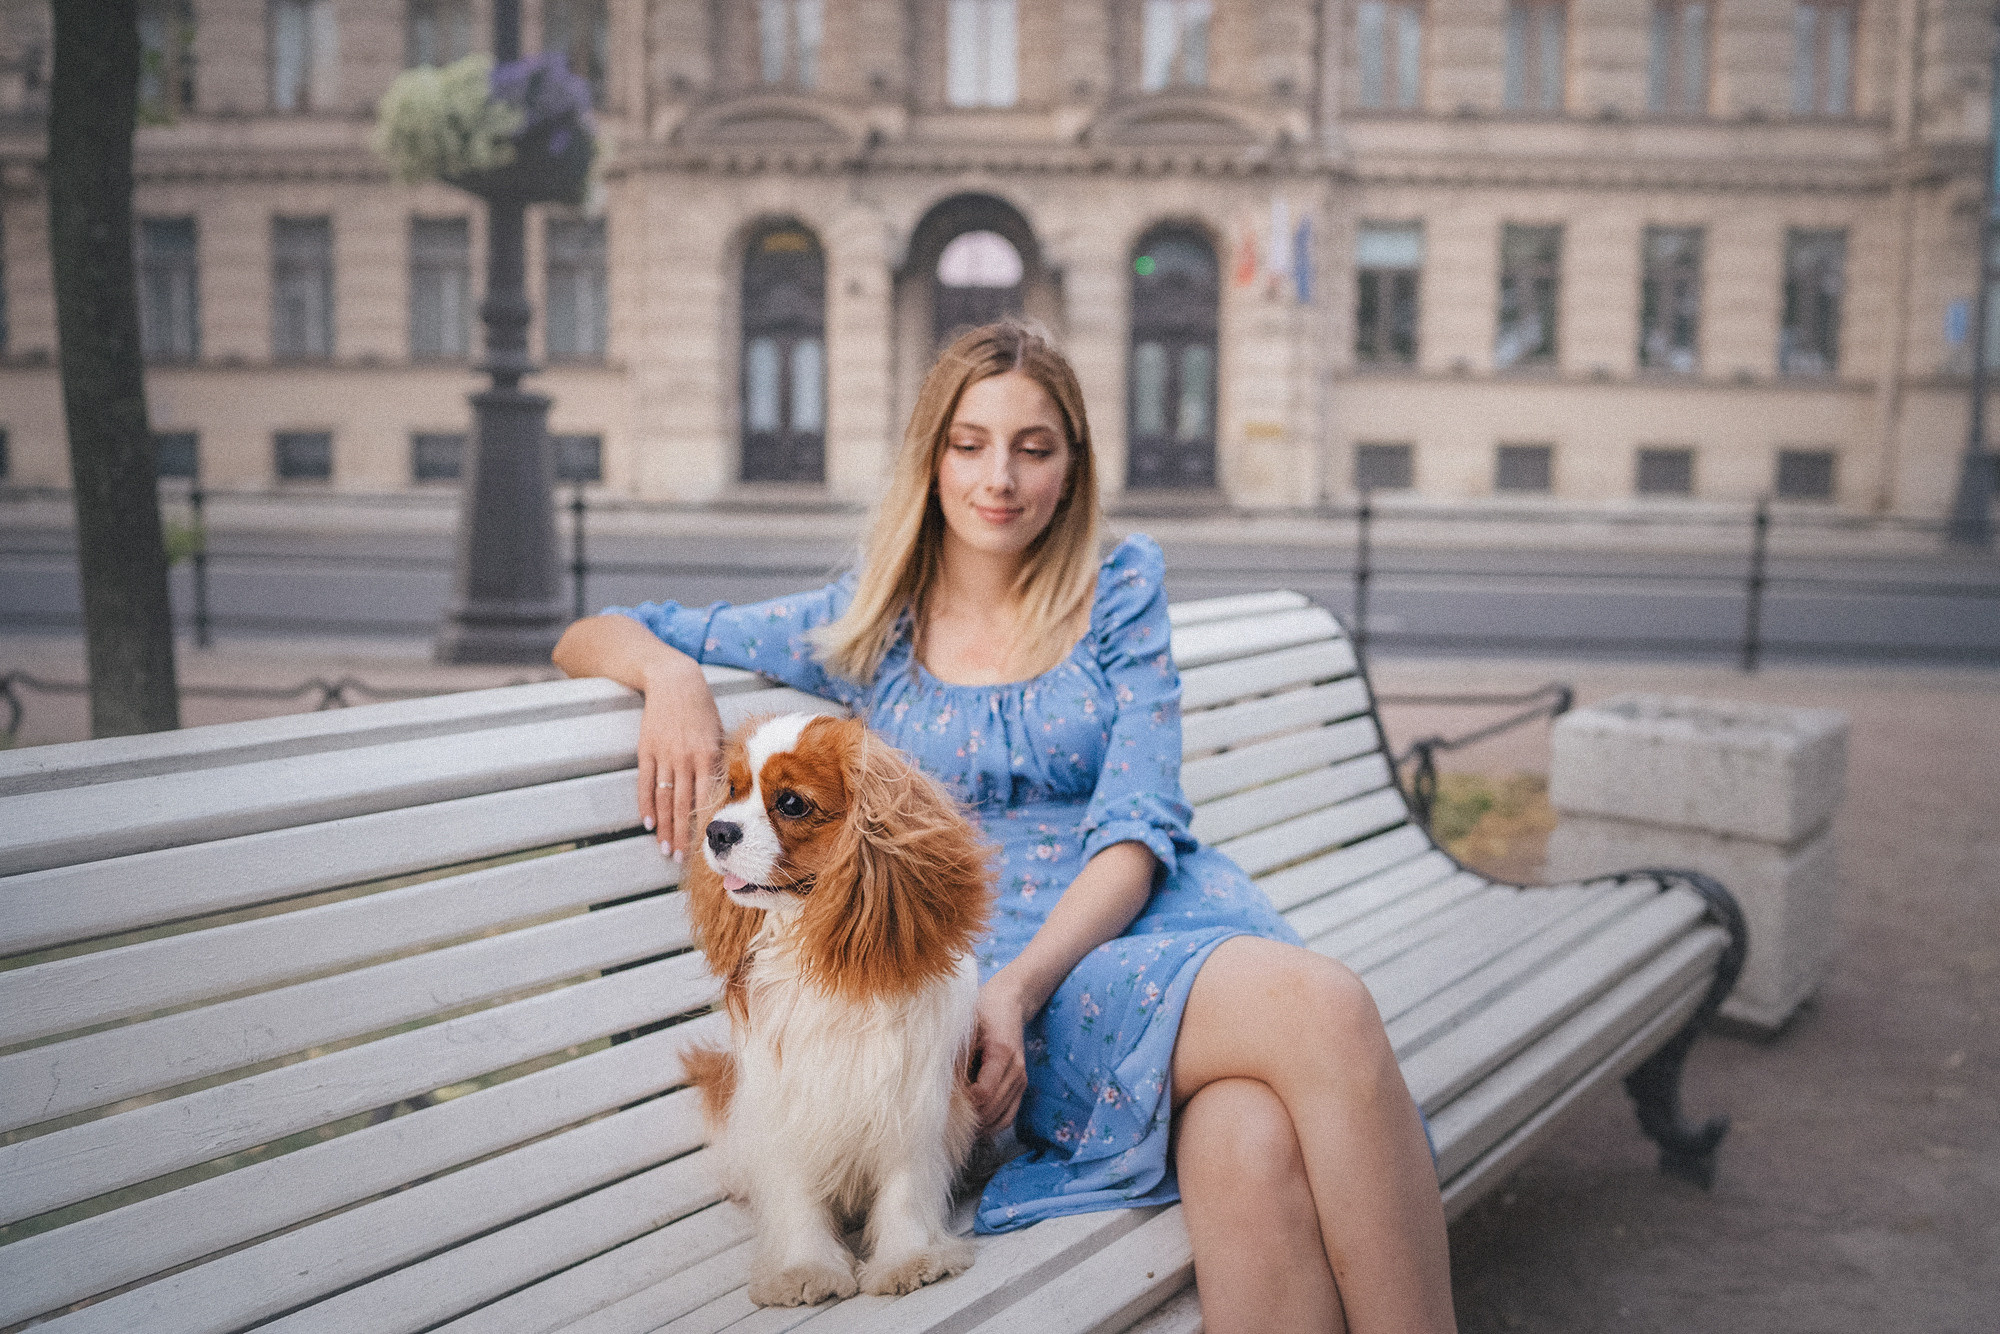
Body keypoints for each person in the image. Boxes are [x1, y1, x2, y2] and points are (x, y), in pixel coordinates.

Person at [552, 322, 1456, 1333]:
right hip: (988, 981)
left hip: (1117, 933)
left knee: (1270, 1100)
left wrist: (1017, 988)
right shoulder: (868, 624)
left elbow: (1137, 825)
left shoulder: (1116, 595)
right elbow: (591, 632)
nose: (1001, 477)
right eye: (970, 443)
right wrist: (668, 675)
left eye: (1034, 447)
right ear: (931, 457)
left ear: (1072, 468)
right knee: (1289, 1069)